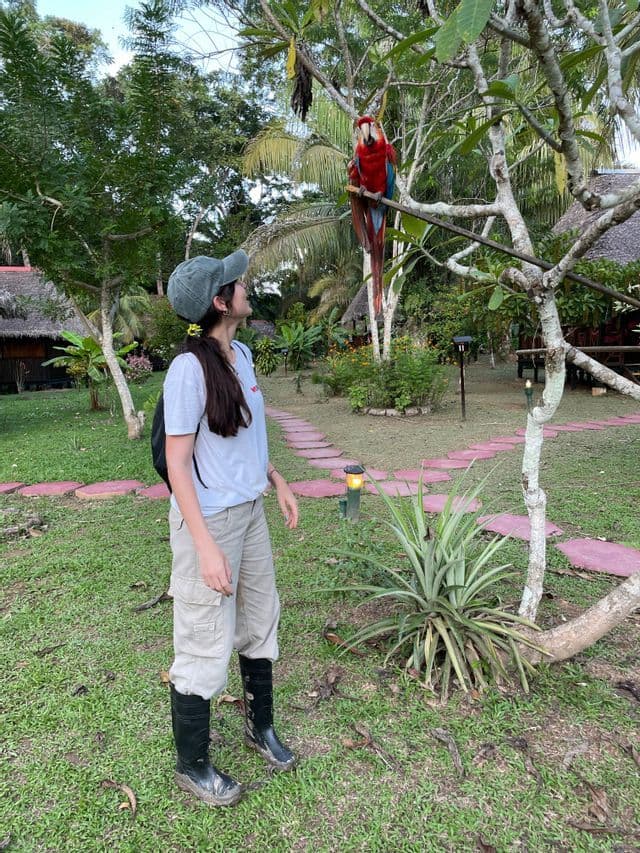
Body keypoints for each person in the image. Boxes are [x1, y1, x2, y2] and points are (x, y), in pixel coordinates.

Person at [163, 250, 299, 807]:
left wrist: (277, 477)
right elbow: (177, 465)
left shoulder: (241, 354)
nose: (247, 286)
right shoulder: (187, 370)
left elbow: (248, 438)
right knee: (202, 640)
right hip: (210, 521)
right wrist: (204, 547)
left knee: (259, 620)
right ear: (222, 302)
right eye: (236, 283)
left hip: (251, 512)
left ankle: (258, 726)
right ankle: (192, 764)